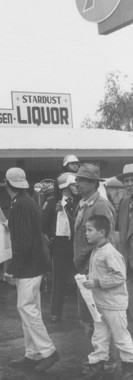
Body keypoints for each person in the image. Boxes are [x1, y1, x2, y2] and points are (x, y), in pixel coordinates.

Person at [4, 167, 60, 372]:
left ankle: (48, 351)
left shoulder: (19, 205)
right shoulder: (27, 202)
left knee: (26, 308)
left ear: (6, 184)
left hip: (28, 266)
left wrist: (12, 267)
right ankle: (32, 353)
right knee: (31, 307)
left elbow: (23, 240)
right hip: (36, 263)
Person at [78, 215, 133, 380]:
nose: (86, 233)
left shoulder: (110, 253)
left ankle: (129, 366)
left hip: (114, 305)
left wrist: (96, 282)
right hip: (100, 304)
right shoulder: (96, 249)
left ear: (101, 232)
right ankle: (97, 364)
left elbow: (119, 276)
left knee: (121, 337)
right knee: (99, 336)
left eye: (89, 230)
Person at [74, 164, 116, 337]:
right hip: (83, 267)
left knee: (101, 316)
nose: (77, 183)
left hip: (95, 268)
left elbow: (105, 239)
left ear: (93, 184)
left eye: (82, 180)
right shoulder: (82, 204)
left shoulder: (101, 206)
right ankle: (98, 358)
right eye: (77, 179)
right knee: (87, 316)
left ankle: (109, 361)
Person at [41, 172, 79, 323]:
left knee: (83, 280)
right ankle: (55, 312)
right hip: (60, 247)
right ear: (65, 186)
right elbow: (42, 224)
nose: (77, 187)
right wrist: (51, 237)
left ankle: (87, 313)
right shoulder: (52, 201)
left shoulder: (80, 201)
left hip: (76, 246)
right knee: (59, 282)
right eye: (74, 185)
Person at [116, 163, 133, 337]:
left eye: (131, 180)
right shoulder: (124, 202)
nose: (129, 184)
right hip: (127, 259)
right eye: (126, 181)